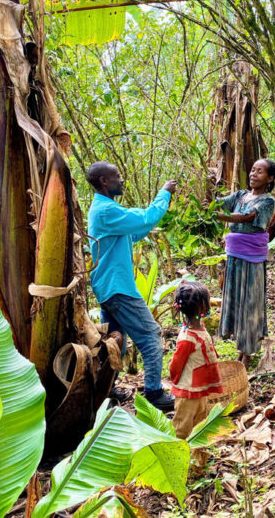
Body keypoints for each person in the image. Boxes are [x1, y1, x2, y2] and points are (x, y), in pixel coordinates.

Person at [87, 161, 177, 412]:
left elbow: (135, 231)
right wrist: (164, 193)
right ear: (104, 181)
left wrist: (155, 216)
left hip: (108, 287)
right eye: (117, 176)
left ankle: (108, 389)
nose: (122, 180)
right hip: (118, 288)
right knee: (150, 336)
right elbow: (144, 218)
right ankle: (154, 393)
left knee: (116, 342)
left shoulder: (106, 209)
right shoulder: (106, 211)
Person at [216, 158, 275, 368]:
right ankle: (240, 346)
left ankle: (248, 350)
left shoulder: (268, 201)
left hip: (252, 259)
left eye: (260, 172)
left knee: (251, 302)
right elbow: (220, 202)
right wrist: (209, 202)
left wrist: (222, 217)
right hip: (234, 257)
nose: (253, 174)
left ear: (269, 178)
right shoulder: (241, 195)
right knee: (236, 300)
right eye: (252, 170)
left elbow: (247, 217)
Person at [169, 281, 223, 439]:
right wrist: (175, 379)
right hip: (188, 391)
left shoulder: (199, 327)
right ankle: (178, 459)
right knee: (182, 427)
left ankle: (199, 460)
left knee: (200, 425)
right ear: (201, 308)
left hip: (200, 388)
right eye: (206, 302)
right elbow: (176, 365)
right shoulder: (187, 338)